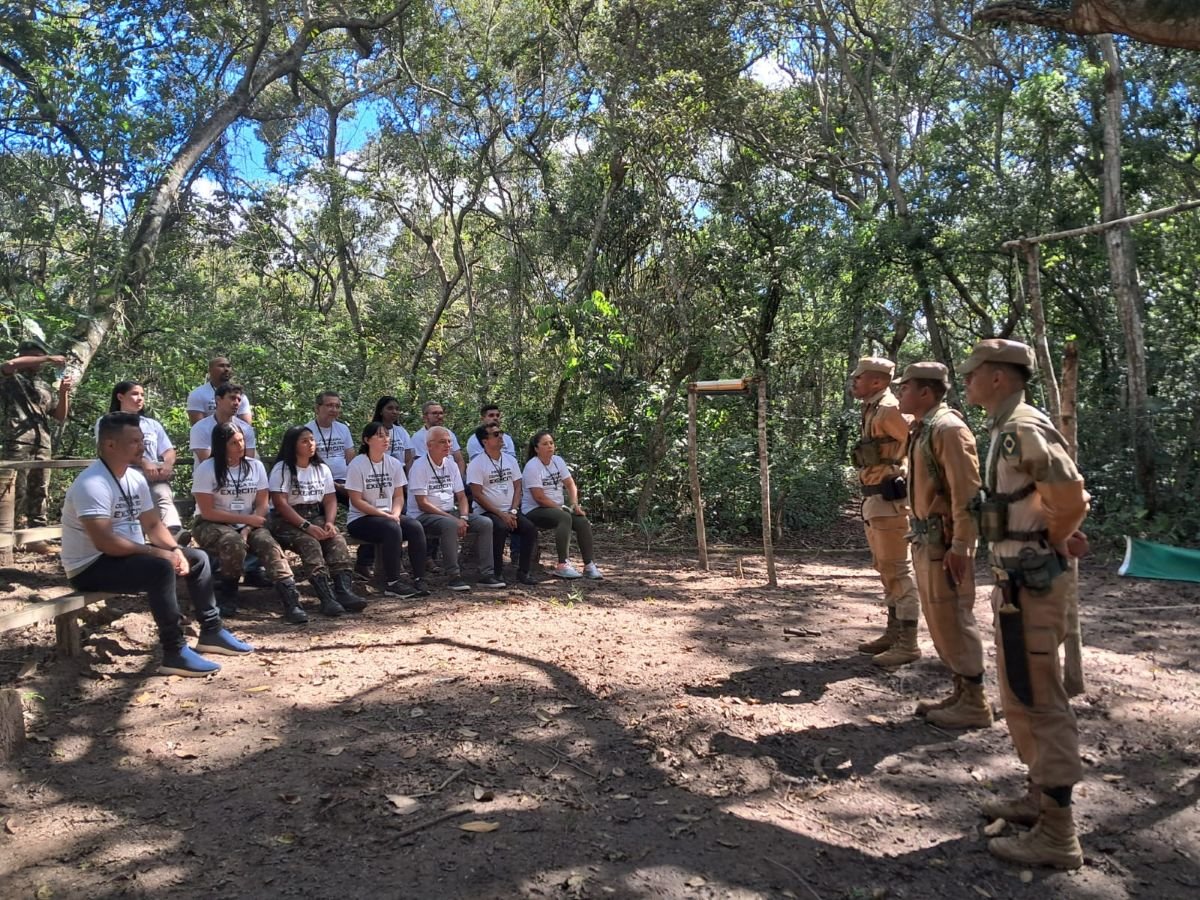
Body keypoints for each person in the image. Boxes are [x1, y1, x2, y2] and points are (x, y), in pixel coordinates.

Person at [962, 339, 1090, 869]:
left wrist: (1055, 539)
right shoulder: (1002, 428)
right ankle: (1039, 798)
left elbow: (1071, 495)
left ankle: (1059, 835)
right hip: (1017, 583)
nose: (966, 382)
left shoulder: (1021, 429)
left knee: (1041, 701)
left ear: (997, 377)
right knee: (1019, 693)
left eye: (972, 374)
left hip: (1032, 582)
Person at [61, 412, 253, 676]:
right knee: (159, 568)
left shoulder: (134, 478)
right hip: (91, 566)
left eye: (142, 440)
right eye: (134, 441)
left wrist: (174, 549)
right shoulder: (91, 484)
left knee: (197, 558)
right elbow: (105, 543)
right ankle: (174, 651)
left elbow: (152, 525)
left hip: (127, 556)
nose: (142, 447)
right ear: (110, 445)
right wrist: (158, 553)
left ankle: (212, 631)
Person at [896, 362, 990, 729]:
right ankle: (961, 691)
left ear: (925, 392)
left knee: (953, 617)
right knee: (939, 620)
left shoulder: (949, 429)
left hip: (945, 542)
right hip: (925, 539)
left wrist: (963, 546)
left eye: (905, 387)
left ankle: (975, 703)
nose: (899, 392)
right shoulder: (923, 428)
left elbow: (967, 493)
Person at [191, 422, 308, 624]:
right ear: (222, 445)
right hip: (211, 522)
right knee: (232, 542)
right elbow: (208, 511)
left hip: (250, 522)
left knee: (267, 543)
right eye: (234, 442)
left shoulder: (255, 466)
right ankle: (229, 592)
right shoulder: (207, 468)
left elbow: (262, 505)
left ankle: (291, 599)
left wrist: (247, 527)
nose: (240, 445)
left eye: (241, 440)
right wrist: (244, 521)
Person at [850, 356, 920, 667]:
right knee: (884, 568)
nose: (854, 382)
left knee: (898, 570)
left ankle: (908, 642)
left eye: (859, 378)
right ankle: (893, 633)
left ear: (877, 382)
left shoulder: (891, 409)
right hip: (874, 499)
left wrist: (909, 478)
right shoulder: (872, 408)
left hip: (891, 500)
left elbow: (918, 442)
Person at [267, 426, 367, 616]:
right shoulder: (282, 469)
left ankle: (343, 590)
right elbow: (280, 504)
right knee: (309, 542)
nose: (311, 444)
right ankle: (326, 597)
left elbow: (330, 499)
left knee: (336, 540)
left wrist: (329, 522)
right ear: (292, 445)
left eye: (312, 440)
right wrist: (306, 526)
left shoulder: (321, 468)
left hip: (315, 514)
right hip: (287, 519)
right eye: (304, 441)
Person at [407, 426, 503, 591]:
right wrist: (453, 519)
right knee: (450, 525)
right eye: (442, 441)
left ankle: (487, 574)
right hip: (424, 515)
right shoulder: (419, 466)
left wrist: (464, 517)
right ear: (429, 445)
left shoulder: (451, 464)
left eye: (449, 441)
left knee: (485, 523)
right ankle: (454, 575)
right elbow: (422, 503)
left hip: (450, 512)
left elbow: (462, 496)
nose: (448, 445)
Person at [345, 422, 430, 599]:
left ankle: (420, 578)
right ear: (367, 440)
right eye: (380, 435)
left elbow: (399, 496)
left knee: (415, 526)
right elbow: (356, 500)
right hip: (362, 518)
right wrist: (384, 515)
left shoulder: (393, 463)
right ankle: (392, 582)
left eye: (387, 435)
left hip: (389, 515)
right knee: (391, 528)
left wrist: (396, 514)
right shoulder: (357, 464)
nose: (386, 439)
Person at [1, 338, 74, 536]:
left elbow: (59, 416)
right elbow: (8, 365)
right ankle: (8, 535)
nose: (40, 361)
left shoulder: (43, 386)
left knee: (40, 489)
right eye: (36, 356)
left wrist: (63, 393)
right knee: (15, 489)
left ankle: (37, 535)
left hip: (42, 442)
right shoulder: (11, 378)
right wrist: (49, 358)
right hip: (18, 441)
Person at [97, 381, 181, 534]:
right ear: (120, 397)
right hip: (124, 474)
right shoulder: (108, 422)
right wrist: (144, 463)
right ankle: (140, 538)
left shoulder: (152, 424)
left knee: (162, 494)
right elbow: (111, 451)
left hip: (154, 475)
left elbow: (168, 449)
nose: (140, 398)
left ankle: (174, 533)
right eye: (135, 394)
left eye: (142, 395)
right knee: (137, 506)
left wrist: (167, 465)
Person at [521, 431, 602, 579]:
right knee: (564, 517)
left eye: (551, 443)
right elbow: (538, 497)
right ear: (536, 448)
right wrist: (559, 508)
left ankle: (589, 565)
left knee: (582, 521)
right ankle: (562, 565)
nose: (550, 446)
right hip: (534, 509)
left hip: (556, 508)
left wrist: (574, 504)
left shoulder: (558, 461)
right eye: (545, 444)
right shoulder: (532, 466)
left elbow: (570, 484)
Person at [467, 423, 538, 585]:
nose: (501, 437)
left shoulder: (510, 460)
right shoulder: (477, 464)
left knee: (529, 528)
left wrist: (513, 511)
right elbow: (477, 495)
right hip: (488, 512)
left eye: (501, 433)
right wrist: (501, 514)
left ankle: (524, 572)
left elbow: (518, 485)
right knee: (499, 527)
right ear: (485, 441)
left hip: (510, 510)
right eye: (496, 434)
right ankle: (496, 573)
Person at [305, 391, 354, 500]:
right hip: (318, 481)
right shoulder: (307, 431)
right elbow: (305, 462)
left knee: (362, 497)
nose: (334, 410)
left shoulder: (343, 429)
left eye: (337, 406)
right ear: (317, 408)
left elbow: (350, 458)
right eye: (329, 405)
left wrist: (352, 481)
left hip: (343, 481)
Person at [189, 383, 257, 463]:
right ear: (218, 400)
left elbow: (248, 461)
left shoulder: (246, 429)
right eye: (232, 398)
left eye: (239, 400)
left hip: (241, 474)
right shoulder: (200, 428)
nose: (236, 403)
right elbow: (207, 462)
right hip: (210, 474)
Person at [186, 355, 252, 424]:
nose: (226, 369)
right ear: (210, 370)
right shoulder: (198, 394)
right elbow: (197, 426)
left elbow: (246, 425)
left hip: (235, 433)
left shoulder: (239, 395)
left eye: (228, 366)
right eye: (221, 366)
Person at [410, 401, 465, 476]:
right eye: (435, 413)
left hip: (453, 477)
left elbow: (459, 460)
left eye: (441, 413)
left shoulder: (449, 433)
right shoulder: (418, 437)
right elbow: (421, 465)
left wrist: (460, 479)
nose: (439, 416)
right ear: (425, 417)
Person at [372, 396, 413, 466]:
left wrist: (407, 476)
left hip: (400, 472)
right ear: (380, 411)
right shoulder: (373, 430)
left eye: (397, 409)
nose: (394, 412)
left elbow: (408, 459)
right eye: (390, 408)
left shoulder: (401, 431)